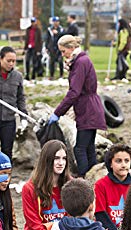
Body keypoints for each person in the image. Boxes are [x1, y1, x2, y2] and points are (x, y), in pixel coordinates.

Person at [48, 35, 106, 177]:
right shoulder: (82, 59)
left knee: (79, 148)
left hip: (87, 109)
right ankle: (93, 178)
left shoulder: (80, 62)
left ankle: (84, 180)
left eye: (63, 51)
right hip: (92, 107)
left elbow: (74, 92)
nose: (62, 55)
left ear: (71, 48)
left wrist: (58, 112)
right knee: (89, 147)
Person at [22, 140, 72, 230]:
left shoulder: (72, 185)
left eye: (64, 158)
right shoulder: (29, 188)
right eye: (56, 158)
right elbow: (34, 226)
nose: (61, 163)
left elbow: (74, 218)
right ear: (47, 160)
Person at [94, 144, 131, 230]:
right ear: (110, 164)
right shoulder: (100, 185)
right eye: (118, 161)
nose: (123, 165)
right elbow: (101, 215)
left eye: (127, 161)